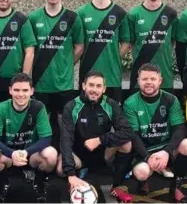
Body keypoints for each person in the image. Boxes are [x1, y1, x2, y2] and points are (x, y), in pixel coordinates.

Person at [57, 71, 134, 202]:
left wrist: (100, 140)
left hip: (102, 152)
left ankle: (117, 186)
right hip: (78, 154)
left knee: (126, 144)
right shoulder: (72, 106)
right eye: (91, 85)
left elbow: (127, 131)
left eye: (98, 86)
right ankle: (75, 180)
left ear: (104, 89)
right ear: (83, 86)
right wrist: (70, 173)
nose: (94, 89)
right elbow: (66, 139)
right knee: (60, 170)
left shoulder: (110, 104)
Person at [124, 63, 187, 203]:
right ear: (138, 81)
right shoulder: (130, 103)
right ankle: (143, 182)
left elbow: (179, 128)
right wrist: (147, 156)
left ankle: (176, 184)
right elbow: (134, 135)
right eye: (144, 79)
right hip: (145, 150)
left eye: (153, 79)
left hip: (166, 148)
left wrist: (167, 151)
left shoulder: (170, 99)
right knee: (141, 172)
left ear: (160, 81)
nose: (149, 82)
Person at [28, 0, 84, 150]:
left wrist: (66, 65)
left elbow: (79, 47)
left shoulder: (72, 17)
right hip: (40, 83)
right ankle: (40, 159)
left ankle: (65, 157)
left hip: (64, 84)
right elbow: (29, 49)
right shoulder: (33, 18)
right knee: (40, 125)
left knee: (64, 123)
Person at [0, 73, 57, 202]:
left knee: (51, 154)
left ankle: (38, 180)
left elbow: (46, 138)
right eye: (16, 90)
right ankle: (3, 181)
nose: (21, 94)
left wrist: (26, 152)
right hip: (9, 155)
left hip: (30, 155)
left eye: (25, 90)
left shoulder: (38, 107)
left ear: (31, 91)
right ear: (10, 90)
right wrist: (11, 153)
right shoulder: (1, 108)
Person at [77, 0, 130, 103]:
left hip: (112, 77)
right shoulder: (81, 13)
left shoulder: (120, 13)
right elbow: (78, 44)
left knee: (112, 117)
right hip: (88, 77)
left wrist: (114, 58)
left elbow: (126, 42)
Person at [127, 0, 178, 94]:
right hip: (139, 79)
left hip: (165, 77)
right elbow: (131, 43)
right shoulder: (134, 14)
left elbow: (172, 42)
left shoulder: (171, 14)